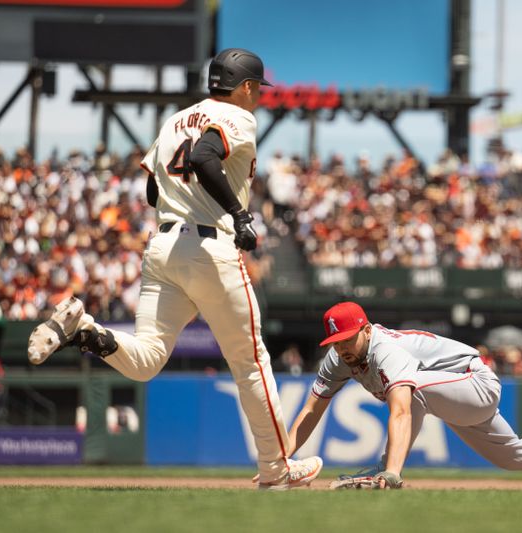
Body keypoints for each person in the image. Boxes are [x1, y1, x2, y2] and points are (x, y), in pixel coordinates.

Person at [27, 48, 322, 490]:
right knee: (252, 361)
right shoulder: (238, 117)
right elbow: (205, 157)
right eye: (256, 87)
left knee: (146, 359)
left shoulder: (174, 121)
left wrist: (187, 204)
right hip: (210, 248)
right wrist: (238, 214)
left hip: (163, 245)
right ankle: (276, 470)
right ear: (243, 86)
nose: (258, 95)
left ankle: (86, 330)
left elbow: (152, 188)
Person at [287, 301, 522, 489]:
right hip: (452, 397)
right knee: (511, 454)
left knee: (410, 390)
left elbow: (402, 410)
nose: (342, 347)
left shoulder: (386, 350)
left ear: (367, 330)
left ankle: (384, 469)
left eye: (347, 338)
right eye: (335, 342)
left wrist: (390, 471)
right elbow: (312, 409)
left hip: (475, 382)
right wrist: (279, 460)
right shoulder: (338, 359)